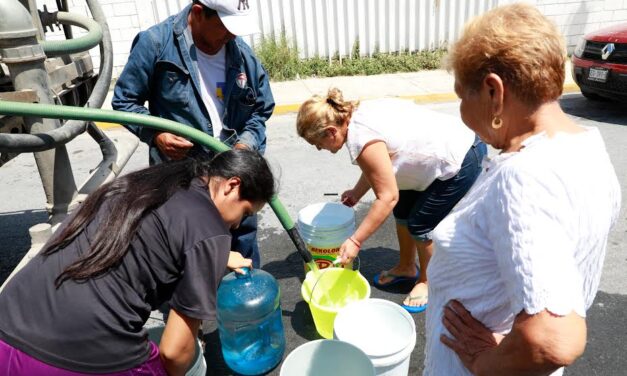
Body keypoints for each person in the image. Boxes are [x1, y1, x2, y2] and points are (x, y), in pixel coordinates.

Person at [424, 4, 622, 375]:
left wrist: (484, 363)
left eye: (462, 96)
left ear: (493, 92)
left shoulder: (524, 177)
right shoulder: (589, 149)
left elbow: (553, 338)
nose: (462, 112)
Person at [0, 149, 276, 376]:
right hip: (79, 355)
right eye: (246, 212)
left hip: (8, 328)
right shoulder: (211, 232)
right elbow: (175, 352)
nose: (238, 224)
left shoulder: (152, 183)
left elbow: (156, 236)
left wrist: (217, 255)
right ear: (232, 185)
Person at [112, 0, 274, 268]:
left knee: (241, 246)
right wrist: (156, 134)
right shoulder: (155, 44)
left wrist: (245, 144)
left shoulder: (241, 54)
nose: (231, 36)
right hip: (181, 177)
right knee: (184, 253)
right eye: (225, 27)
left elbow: (260, 111)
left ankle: (242, 306)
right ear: (198, 13)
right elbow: (125, 102)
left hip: (233, 171)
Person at [296, 89, 486, 313]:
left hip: (460, 158)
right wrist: (357, 192)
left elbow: (387, 197)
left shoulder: (361, 137)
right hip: (433, 157)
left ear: (331, 132)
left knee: (421, 224)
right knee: (403, 211)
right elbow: (379, 165)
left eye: (317, 143)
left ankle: (428, 282)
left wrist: (355, 241)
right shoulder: (355, 114)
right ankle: (406, 267)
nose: (320, 149)